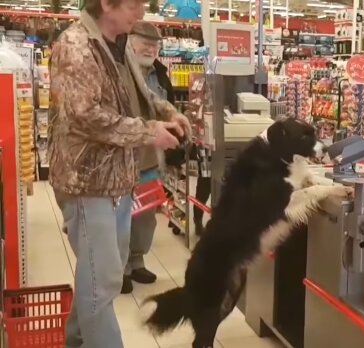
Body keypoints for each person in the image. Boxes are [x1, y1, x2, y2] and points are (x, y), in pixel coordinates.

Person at [48, 0, 190, 346]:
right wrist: (149, 132)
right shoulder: (76, 47)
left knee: (99, 274)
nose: (141, 13)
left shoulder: (116, 43)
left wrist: (168, 111)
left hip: (117, 180)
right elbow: (85, 116)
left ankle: (77, 341)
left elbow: (135, 93)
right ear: (106, 4)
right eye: (134, 5)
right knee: (103, 279)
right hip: (87, 181)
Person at [119, 22, 175, 294]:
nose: (151, 49)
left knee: (144, 216)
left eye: (155, 45)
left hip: (151, 158)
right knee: (120, 215)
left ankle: (136, 261)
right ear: (130, 41)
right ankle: (120, 269)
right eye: (145, 43)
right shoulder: (117, 69)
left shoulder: (160, 74)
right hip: (123, 158)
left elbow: (165, 104)